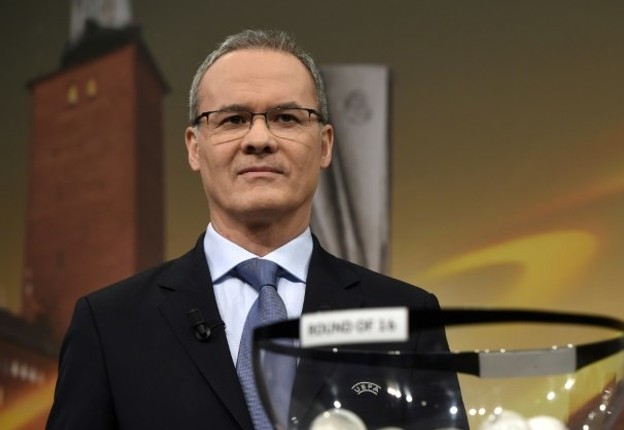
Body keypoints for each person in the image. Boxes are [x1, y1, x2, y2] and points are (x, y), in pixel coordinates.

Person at [46, 29, 464, 430]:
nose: (259, 138)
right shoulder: (109, 325)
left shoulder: (407, 318)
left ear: (324, 145)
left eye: (286, 117)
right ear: (195, 147)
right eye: (232, 119)